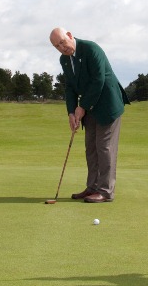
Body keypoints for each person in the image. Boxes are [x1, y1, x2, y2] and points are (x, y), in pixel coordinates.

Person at [49, 28, 130, 203]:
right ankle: (92, 187)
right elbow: (70, 87)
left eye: (62, 42)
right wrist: (71, 112)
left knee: (104, 147)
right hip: (90, 105)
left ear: (70, 35)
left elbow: (98, 80)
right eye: (57, 46)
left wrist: (83, 106)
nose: (62, 47)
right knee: (91, 148)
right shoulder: (64, 60)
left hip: (108, 104)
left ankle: (105, 191)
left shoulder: (91, 49)